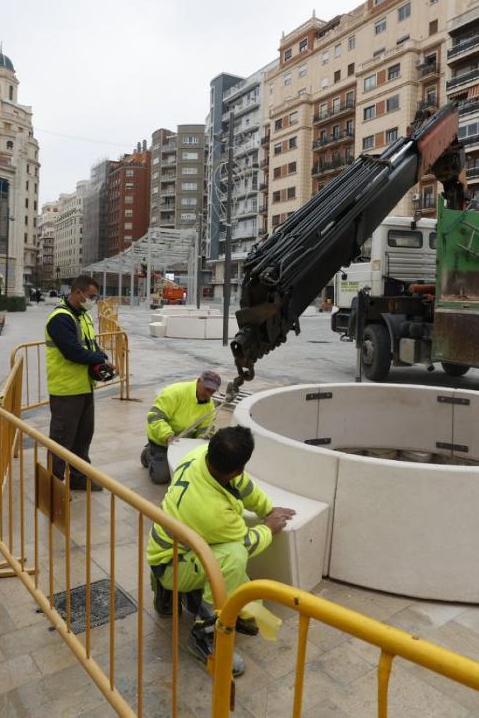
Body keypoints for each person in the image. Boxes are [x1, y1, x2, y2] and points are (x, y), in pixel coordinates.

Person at [145, 426, 296, 676]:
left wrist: (266, 509)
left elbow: (244, 486)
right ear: (239, 467)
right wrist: (269, 527)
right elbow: (246, 543)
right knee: (233, 557)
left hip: (167, 547)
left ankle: (171, 594)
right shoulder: (211, 510)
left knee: (236, 574)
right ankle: (204, 636)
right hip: (172, 563)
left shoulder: (203, 454)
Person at [44, 274, 114, 491]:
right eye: (91, 296)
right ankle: (53, 485)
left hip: (84, 387)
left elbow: (90, 345)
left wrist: (102, 357)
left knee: (83, 438)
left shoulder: (83, 316)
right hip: (66, 390)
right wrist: (100, 359)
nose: (93, 300)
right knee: (61, 440)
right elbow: (72, 351)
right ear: (78, 293)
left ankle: (79, 478)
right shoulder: (60, 318)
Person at [140, 371, 222, 485]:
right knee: (161, 477)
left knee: (192, 471)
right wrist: (167, 435)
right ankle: (148, 454)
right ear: (199, 381)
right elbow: (154, 416)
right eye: (207, 389)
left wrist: (204, 437)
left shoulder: (209, 405)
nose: (208, 394)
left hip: (185, 442)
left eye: (212, 391)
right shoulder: (175, 392)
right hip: (162, 441)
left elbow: (206, 427)